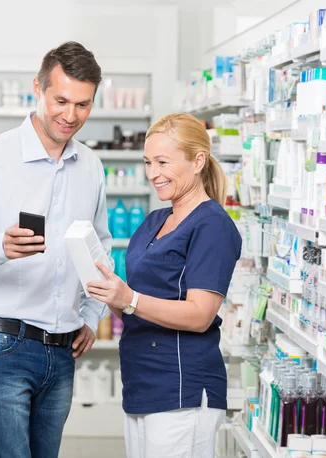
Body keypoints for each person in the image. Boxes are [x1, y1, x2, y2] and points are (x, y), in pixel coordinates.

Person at [0, 41, 111, 458]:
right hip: (1, 346)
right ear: (38, 88)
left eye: (83, 105)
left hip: (62, 348)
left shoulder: (91, 166)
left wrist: (89, 314)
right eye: (61, 100)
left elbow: (100, 246)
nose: (70, 115)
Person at [87, 113, 243, 458]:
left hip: (182, 390)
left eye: (162, 162)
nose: (152, 173)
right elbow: (135, 304)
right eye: (147, 162)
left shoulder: (212, 225)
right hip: (143, 384)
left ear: (198, 161)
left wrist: (129, 298)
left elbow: (200, 314)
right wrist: (109, 291)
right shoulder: (156, 220)